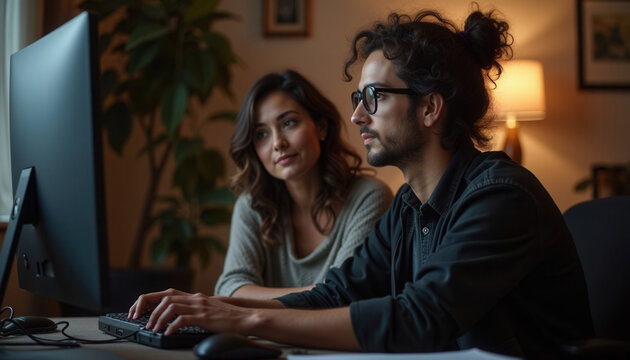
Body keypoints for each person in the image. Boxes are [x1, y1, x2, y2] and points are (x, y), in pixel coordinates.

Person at [128, 7, 594, 358]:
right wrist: (207, 308)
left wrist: (244, 315)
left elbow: (419, 318)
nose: (356, 115)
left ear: (431, 108)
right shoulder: (410, 207)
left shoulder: (500, 198)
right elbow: (333, 295)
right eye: (357, 98)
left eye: (373, 96)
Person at [213, 70, 392, 299]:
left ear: (321, 127)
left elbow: (343, 294)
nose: (278, 142)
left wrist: (256, 303)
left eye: (288, 123)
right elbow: (231, 288)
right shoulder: (252, 205)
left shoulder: (369, 198)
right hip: (257, 337)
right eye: (261, 134)